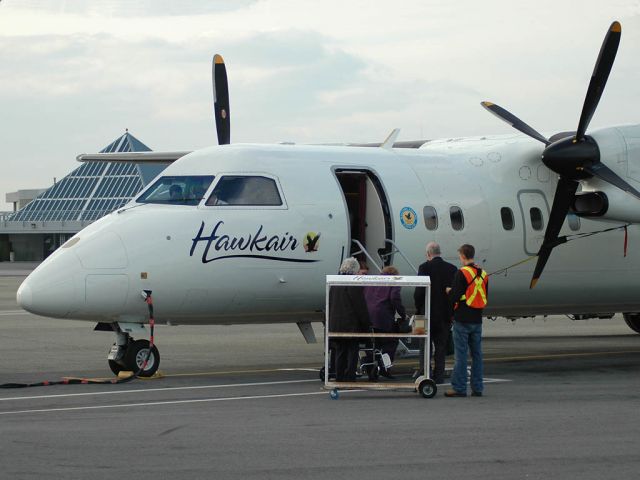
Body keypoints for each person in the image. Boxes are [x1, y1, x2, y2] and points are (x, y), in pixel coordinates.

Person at [445, 244, 489, 397]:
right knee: (477, 355)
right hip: (477, 319)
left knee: (461, 355)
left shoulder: (462, 273)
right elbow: (483, 295)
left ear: (463, 256)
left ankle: (459, 388)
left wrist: (449, 291)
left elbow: (455, 296)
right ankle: (478, 388)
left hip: (462, 318)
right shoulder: (483, 273)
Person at [413, 242, 457, 384]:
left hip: (423, 313)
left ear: (428, 254)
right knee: (441, 347)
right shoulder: (452, 269)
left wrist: (418, 308)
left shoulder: (423, 267)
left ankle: (425, 373)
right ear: (440, 252)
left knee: (423, 346)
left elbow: (419, 292)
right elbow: (453, 294)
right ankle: (439, 376)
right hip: (444, 314)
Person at [328, 257, 371, 382]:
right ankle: (350, 376)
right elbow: (359, 306)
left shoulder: (335, 282)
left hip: (336, 324)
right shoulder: (353, 283)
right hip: (350, 324)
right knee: (352, 351)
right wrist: (366, 323)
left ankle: (339, 376)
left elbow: (330, 303)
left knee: (340, 351)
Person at [364, 265, 406, 378]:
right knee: (391, 341)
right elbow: (394, 298)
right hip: (383, 317)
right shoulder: (394, 281)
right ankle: (385, 367)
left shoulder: (372, 281)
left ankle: (370, 367)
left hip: (369, 318)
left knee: (374, 344)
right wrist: (403, 314)